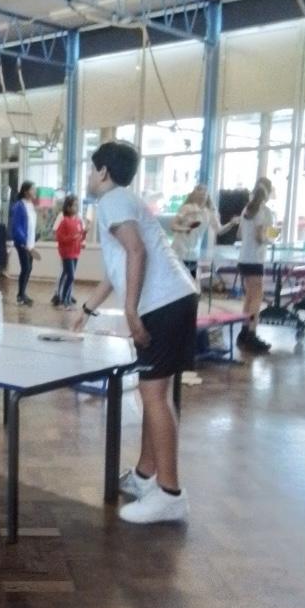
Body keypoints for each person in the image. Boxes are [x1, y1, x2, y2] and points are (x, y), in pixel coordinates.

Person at [73, 141, 198, 524]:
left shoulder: (111, 201)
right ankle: (146, 475)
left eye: (92, 168)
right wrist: (87, 310)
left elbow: (136, 252)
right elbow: (116, 270)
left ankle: (170, 494)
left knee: (154, 396)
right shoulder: (124, 200)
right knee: (154, 392)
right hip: (176, 297)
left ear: (104, 172)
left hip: (162, 303)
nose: (89, 175)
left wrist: (130, 311)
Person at [236, 178, 274, 354]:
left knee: (249, 297)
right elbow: (260, 237)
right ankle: (251, 334)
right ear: (268, 192)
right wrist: (270, 240)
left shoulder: (247, 209)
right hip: (255, 260)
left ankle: (244, 332)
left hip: (243, 258)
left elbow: (239, 234)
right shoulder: (264, 211)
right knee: (257, 298)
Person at [171, 184, 239, 279]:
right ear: (194, 196)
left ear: (207, 196)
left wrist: (231, 223)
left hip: (193, 253)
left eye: (204, 195)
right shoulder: (186, 208)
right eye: (199, 195)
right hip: (179, 249)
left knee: (191, 279)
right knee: (178, 279)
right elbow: (173, 225)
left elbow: (219, 230)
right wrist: (185, 229)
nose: (202, 198)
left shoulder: (209, 212)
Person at [51, 194, 85, 309]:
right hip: (67, 253)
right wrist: (72, 238)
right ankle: (61, 297)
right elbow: (60, 236)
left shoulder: (78, 220)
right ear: (68, 207)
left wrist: (82, 239)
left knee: (70, 275)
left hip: (75, 252)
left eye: (77, 205)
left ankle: (67, 297)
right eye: (74, 205)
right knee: (69, 275)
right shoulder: (64, 220)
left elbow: (80, 234)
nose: (76, 207)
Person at [10, 181, 37, 306]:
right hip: (23, 243)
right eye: (32, 189)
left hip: (30, 243)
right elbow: (17, 227)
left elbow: (30, 224)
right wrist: (23, 242)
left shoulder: (31, 205)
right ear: (26, 191)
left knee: (29, 268)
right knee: (26, 268)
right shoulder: (19, 206)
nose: (35, 191)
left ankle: (22, 293)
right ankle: (20, 296)